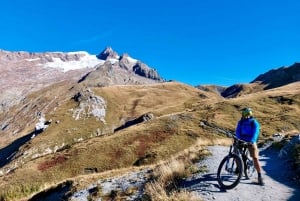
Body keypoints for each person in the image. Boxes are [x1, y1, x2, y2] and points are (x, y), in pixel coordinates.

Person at [235, 107, 264, 185]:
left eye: (247, 114)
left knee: (255, 158)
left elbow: (255, 133)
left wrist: (251, 141)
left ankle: (260, 176)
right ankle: (239, 168)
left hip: (251, 141)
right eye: (245, 114)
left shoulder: (254, 122)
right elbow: (237, 132)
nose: (246, 115)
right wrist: (239, 139)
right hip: (241, 140)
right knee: (235, 154)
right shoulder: (240, 122)